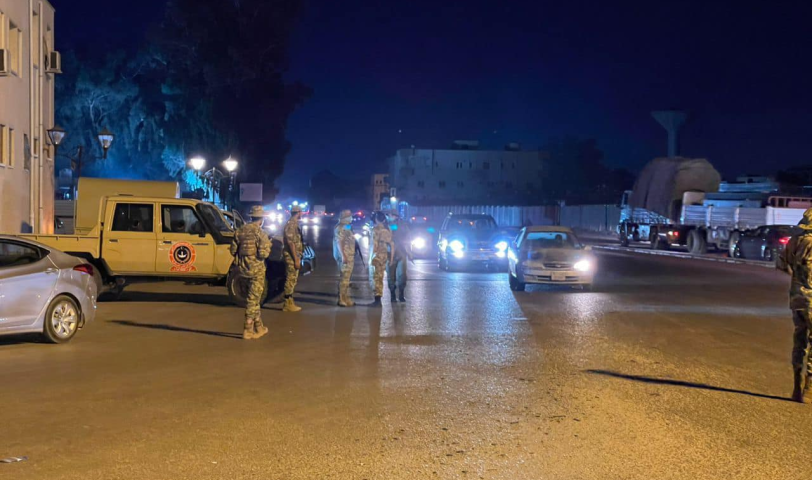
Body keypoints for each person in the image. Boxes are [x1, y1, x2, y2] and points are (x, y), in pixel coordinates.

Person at [779, 208, 812, 403]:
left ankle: (796, 386)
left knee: (799, 341)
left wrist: (798, 281)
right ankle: (809, 389)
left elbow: (783, 264)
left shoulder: (794, 242)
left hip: (797, 301)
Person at [229, 205, 272, 340]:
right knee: (253, 300)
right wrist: (269, 245)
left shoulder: (240, 231)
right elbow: (264, 254)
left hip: (242, 270)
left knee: (254, 298)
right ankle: (248, 329)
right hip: (257, 271)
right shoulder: (261, 233)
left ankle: (259, 326)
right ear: (262, 219)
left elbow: (232, 251)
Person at [369, 211, 394, 307]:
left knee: (376, 277)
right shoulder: (388, 229)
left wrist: (372, 257)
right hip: (384, 255)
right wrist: (391, 258)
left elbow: (374, 245)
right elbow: (391, 244)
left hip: (377, 256)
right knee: (380, 276)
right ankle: (378, 298)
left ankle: (377, 299)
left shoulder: (375, 230)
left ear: (376, 219)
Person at [282, 205, 304, 312]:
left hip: (294, 255)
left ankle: (290, 302)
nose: (302, 214)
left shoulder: (294, 224)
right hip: (291, 256)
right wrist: (295, 259)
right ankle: (287, 304)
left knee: (293, 278)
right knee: (291, 279)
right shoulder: (291, 225)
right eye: (301, 212)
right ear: (298, 212)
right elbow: (291, 243)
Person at [388, 212, 413, 302]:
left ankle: (400, 294)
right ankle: (393, 295)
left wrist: (409, 251)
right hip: (390, 253)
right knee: (392, 276)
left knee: (401, 275)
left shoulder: (402, 225)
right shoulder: (386, 225)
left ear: (395, 216)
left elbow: (408, 238)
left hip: (400, 253)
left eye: (391, 215)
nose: (389, 217)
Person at [333, 209, 356, 307]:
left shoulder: (347, 226)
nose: (351, 217)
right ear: (344, 217)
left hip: (349, 255)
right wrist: (343, 256)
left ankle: (346, 297)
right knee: (344, 278)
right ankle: (341, 299)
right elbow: (339, 242)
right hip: (345, 256)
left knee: (347, 279)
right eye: (349, 215)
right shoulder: (341, 227)